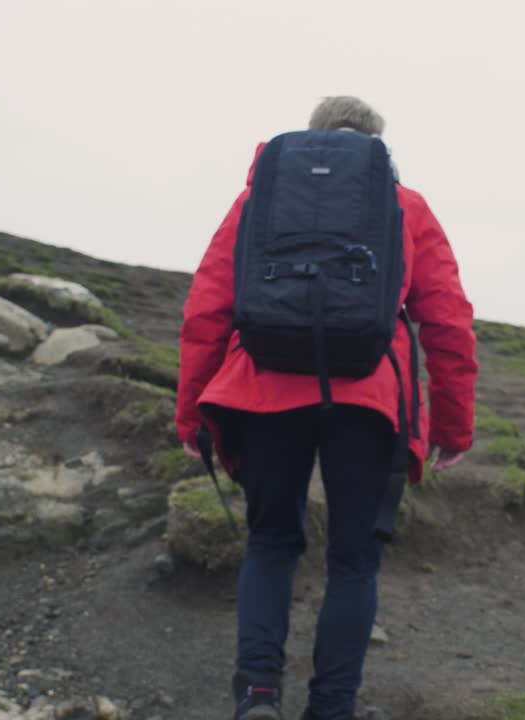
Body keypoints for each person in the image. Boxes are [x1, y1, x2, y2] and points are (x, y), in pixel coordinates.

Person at [175, 96, 478, 720]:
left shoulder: (257, 199)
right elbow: (448, 322)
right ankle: (332, 708)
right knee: (354, 562)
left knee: (270, 542)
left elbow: (206, 308)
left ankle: (258, 695)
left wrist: (191, 414)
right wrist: (453, 425)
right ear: (377, 145)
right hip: (369, 399)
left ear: (312, 137)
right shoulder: (405, 206)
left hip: (262, 389)